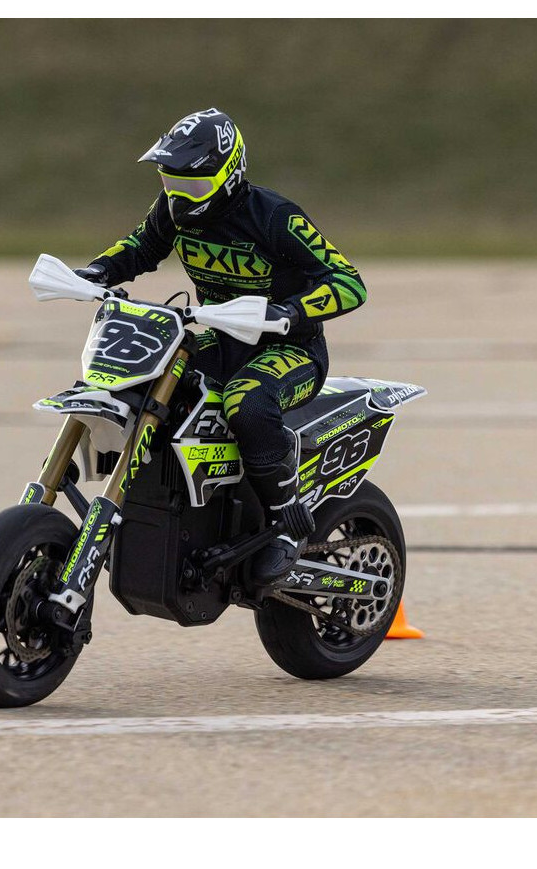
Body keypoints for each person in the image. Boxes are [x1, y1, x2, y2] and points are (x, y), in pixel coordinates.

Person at [76, 107, 367, 581]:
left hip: (290, 349)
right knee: (143, 378)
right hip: (220, 336)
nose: (178, 195)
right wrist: (96, 272)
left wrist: (288, 313)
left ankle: (287, 522)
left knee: (245, 402)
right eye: (170, 181)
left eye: (191, 185)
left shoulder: (275, 217)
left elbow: (349, 283)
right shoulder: (172, 208)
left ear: (228, 175)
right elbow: (142, 247)